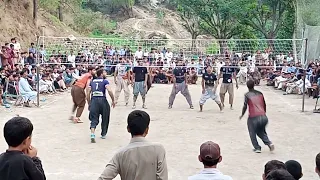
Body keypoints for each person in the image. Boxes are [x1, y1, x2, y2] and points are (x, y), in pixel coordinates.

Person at [97, 110, 168, 180]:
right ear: (147, 130)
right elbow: (163, 178)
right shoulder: (158, 150)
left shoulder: (120, 154)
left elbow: (103, 178)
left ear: (128, 129)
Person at [239, 80, 274, 153]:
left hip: (254, 117)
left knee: (252, 132)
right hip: (263, 116)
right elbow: (264, 104)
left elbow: (245, 106)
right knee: (261, 131)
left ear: (247, 86)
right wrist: (264, 113)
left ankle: (257, 147)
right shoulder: (260, 93)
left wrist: (242, 115)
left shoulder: (247, 95)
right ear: (254, 85)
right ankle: (269, 143)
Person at [87, 69, 115, 143]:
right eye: (105, 72)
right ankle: (103, 133)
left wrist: (89, 103)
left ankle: (92, 134)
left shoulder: (92, 82)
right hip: (102, 100)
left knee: (93, 119)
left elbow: (88, 93)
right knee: (105, 117)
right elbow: (109, 90)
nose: (106, 73)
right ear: (101, 74)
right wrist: (113, 100)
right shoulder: (105, 81)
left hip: (94, 100)